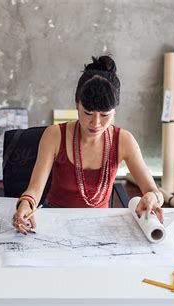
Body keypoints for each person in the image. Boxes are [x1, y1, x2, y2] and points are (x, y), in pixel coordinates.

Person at [12, 55, 164, 234]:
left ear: (115, 110)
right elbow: (35, 189)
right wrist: (25, 204)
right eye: (88, 113)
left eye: (105, 115)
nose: (96, 123)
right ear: (77, 104)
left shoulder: (124, 141)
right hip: (56, 224)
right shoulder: (54, 136)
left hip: (101, 227)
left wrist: (152, 197)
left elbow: (155, 192)